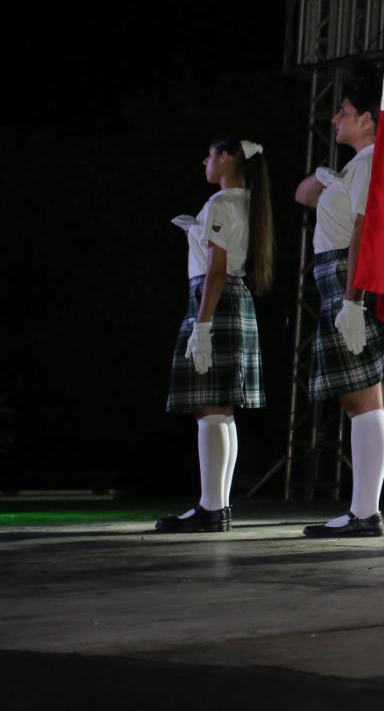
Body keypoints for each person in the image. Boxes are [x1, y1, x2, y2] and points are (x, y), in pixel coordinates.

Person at [155, 136, 274, 533]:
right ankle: (217, 505)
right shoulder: (246, 202)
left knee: (209, 406)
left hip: (215, 302)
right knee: (221, 409)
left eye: (209, 155)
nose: (204, 162)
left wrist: (202, 326)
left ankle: (211, 507)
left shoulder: (222, 203)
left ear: (225, 159)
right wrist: (195, 232)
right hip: (232, 301)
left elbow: (217, 269)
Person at [295, 76, 384, 537]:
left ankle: (364, 512)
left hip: (347, 278)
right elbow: (302, 196)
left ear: (367, 119)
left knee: (363, 398)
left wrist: (352, 300)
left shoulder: (372, 162)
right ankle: (363, 510)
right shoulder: (358, 164)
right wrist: (324, 175)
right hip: (340, 277)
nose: (334, 118)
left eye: (343, 111)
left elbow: (363, 232)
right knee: (364, 397)